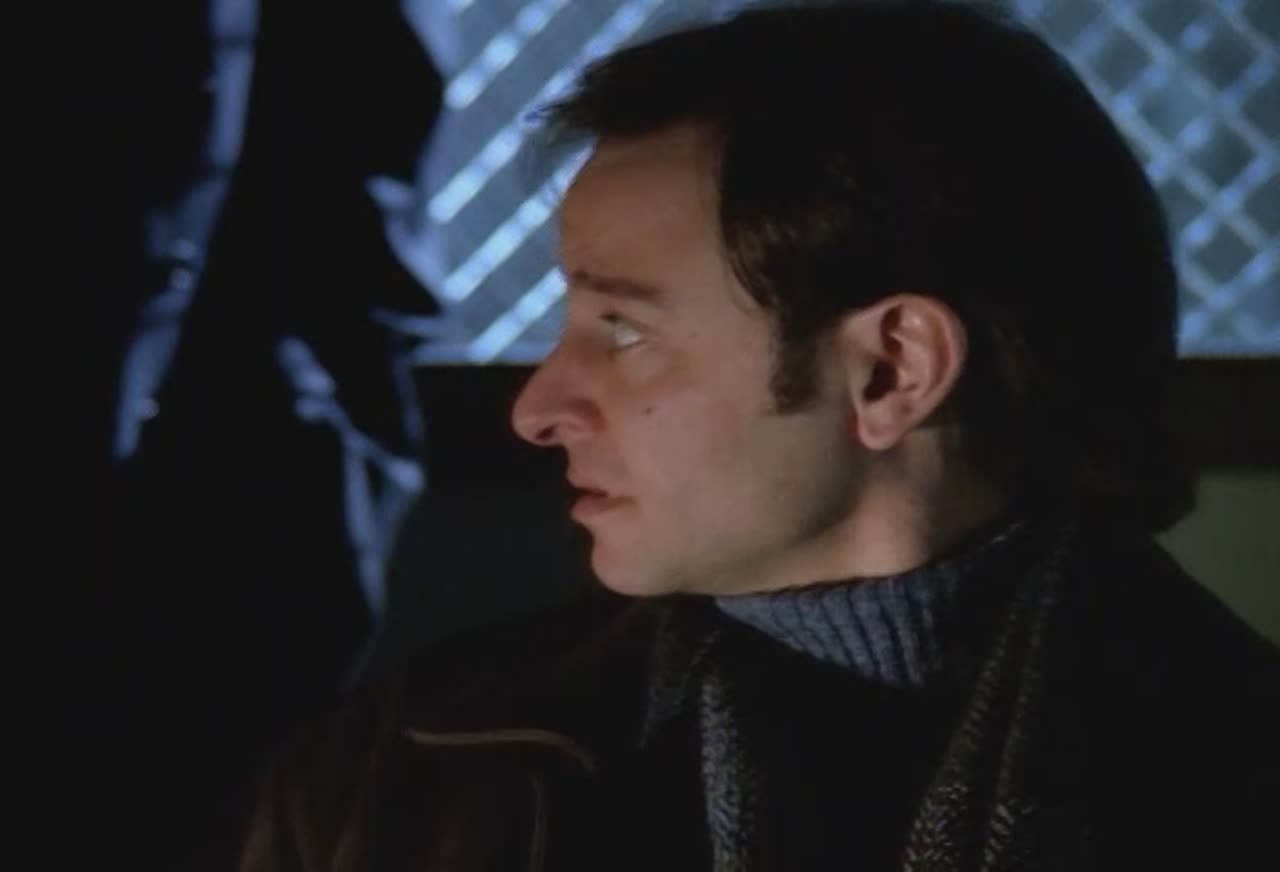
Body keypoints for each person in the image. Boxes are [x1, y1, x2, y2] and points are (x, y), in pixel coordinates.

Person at [236, 2, 1280, 869]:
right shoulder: (400, 778)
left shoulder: (1233, 778)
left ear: (892, 369)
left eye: (625, 330)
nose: (537, 408)